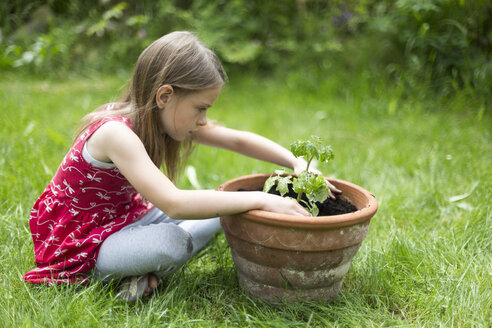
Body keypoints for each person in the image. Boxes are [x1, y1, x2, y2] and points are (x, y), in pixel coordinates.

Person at [24, 31, 340, 302]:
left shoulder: (161, 117)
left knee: (228, 203)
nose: (203, 121)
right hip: (84, 245)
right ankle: (118, 273)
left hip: (126, 218)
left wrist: (296, 162)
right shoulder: (115, 133)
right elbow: (175, 204)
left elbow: (237, 141)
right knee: (175, 243)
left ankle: (136, 272)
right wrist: (264, 198)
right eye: (200, 108)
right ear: (165, 95)